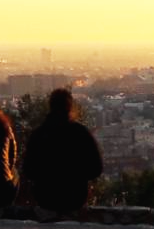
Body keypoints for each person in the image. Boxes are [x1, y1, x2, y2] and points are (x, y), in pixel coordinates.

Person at [23, 88, 104, 216]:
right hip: (75, 198)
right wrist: (77, 177)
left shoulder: (38, 134)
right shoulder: (80, 132)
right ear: (69, 107)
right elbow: (97, 168)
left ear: (50, 106)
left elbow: (28, 170)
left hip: (45, 198)